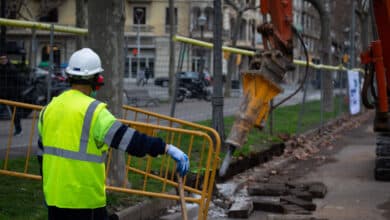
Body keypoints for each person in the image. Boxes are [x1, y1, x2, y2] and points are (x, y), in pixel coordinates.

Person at [37, 48, 189, 220]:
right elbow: (130, 140)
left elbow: (41, 156)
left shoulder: (48, 109)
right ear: (97, 80)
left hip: (55, 199)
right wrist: (166, 148)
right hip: (84, 201)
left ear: (68, 76)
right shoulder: (94, 112)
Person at [0, 53, 23, 136]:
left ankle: (19, 129)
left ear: (7, 59)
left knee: (14, 113)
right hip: (2, 94)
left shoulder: (12, 69)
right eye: (1, 59)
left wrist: (16, 92)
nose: (3, 60)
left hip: (11, 94)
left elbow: (19, 81)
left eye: (4, 59)